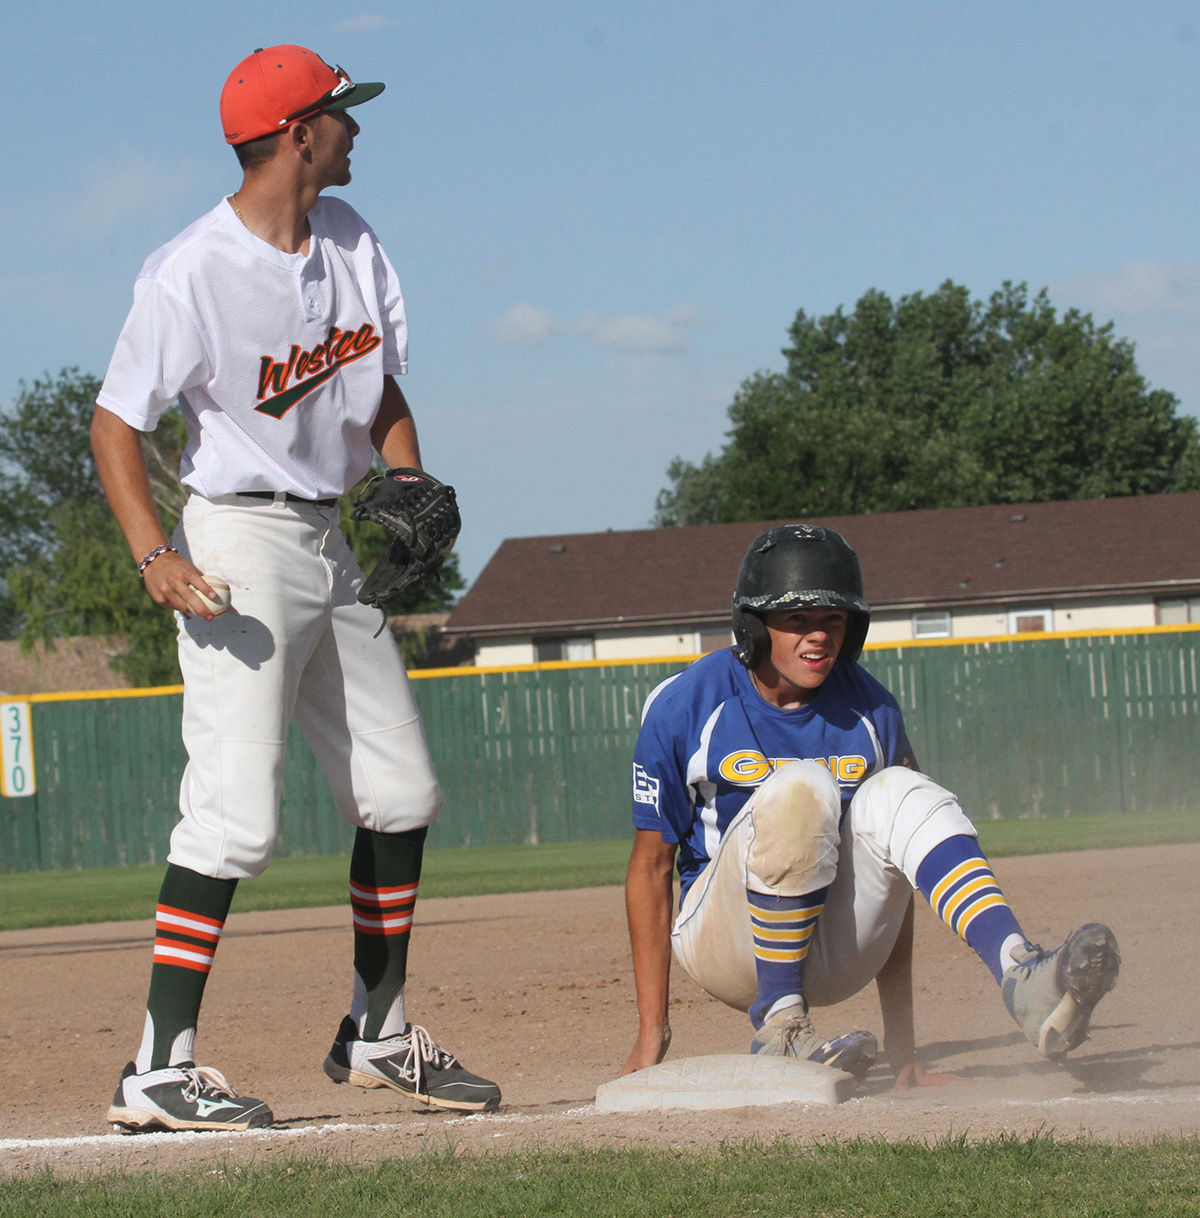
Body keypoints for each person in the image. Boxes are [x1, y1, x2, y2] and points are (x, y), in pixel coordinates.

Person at [92, 44, 500, 1132]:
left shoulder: (352, 242)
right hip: (237, 545)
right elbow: (114, 421)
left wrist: (405, 476)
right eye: (341, 114)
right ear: (295, 134)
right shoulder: (190, 269)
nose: (356, 129)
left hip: (333, 540)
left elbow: (382, 393)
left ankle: (376, 1031)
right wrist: (152, 553)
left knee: (403, 793)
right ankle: (157, 1067)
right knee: (234, 817)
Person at [621, 523, 1120, 1086]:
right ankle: (779, 1026)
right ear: (754, 626)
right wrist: (651, 1031)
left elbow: (896, 881)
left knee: (904, 790)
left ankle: (1021, 974)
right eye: (797, 620)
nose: (818, 638)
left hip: (836, 949)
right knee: (800, 786)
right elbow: (651, 867)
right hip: (726, 945)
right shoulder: (687, 702)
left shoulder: (872, 708)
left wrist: (904, 1049)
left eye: (833, 620)